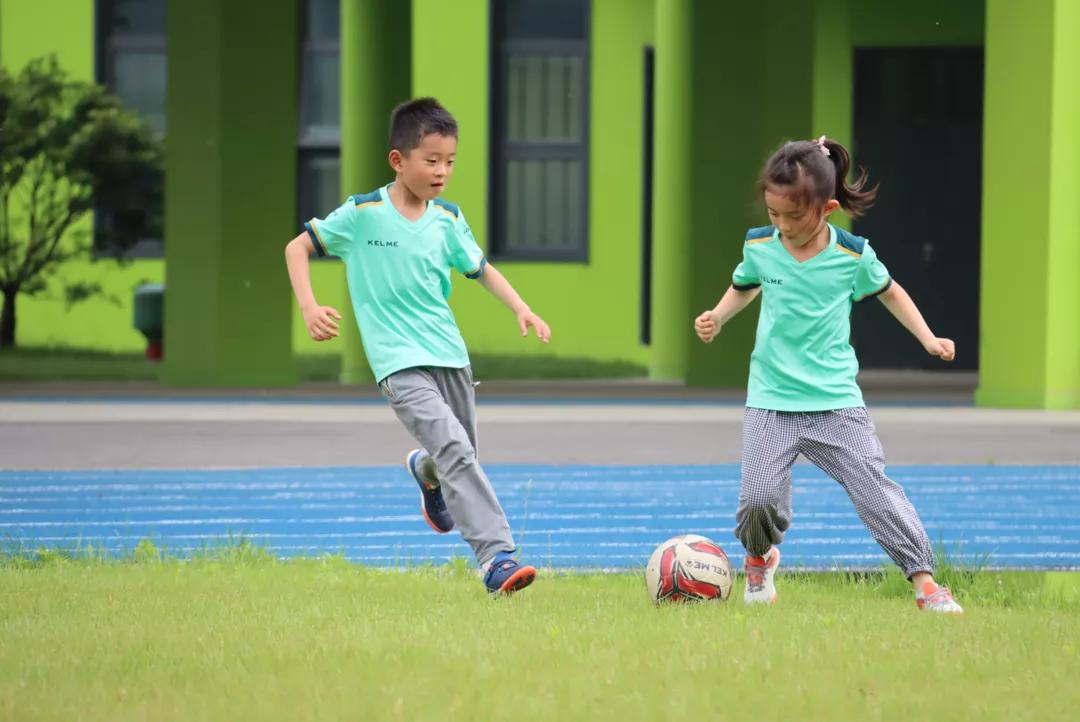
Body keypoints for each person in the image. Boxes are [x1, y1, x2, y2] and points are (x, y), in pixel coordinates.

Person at [285, 97, 551, 595]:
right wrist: (309, 306)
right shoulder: (362, 214)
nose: (442, 171)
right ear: (398, 160)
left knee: (456, 454)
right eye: (431, 161)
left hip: (450, 355)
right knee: (455, 448)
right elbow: (296, 247)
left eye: (450, 161)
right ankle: (496, 558)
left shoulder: (447, 219)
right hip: (397, 362)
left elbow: (479, 268)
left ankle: (427, 473)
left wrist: (521, 307)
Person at [694, 136, 963, 613]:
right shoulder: (760, 246)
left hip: (835, 400)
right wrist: (717, 315)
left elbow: (891, 292)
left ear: (827, 208)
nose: (782, 225)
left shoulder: (852, 256)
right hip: (771, 398)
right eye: (774, 214)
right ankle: (759, 560)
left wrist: (927, 338)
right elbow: (744, 286)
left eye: (793, 217)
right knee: (757, 500)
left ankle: (924, 582)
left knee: (874, 490)